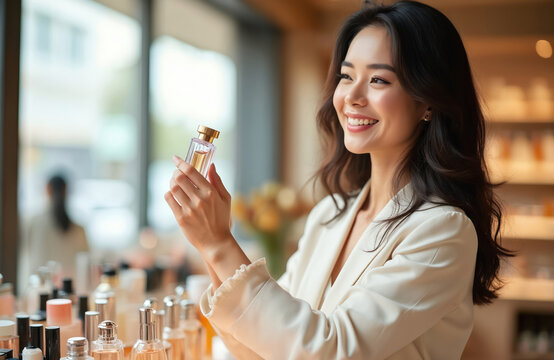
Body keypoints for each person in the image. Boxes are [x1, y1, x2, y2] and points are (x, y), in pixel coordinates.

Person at [164, 1, 512, 358]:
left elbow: (332, 350)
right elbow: (264, 346)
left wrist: (220, 244)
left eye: (378, 79)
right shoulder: (330, 214)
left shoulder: (442, 232)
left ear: (428, 102)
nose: (351, 98)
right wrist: (207, 241)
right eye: (346, 76)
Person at [18, 174, 89, 293]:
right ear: (67, 191)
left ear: (46, 189)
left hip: (39, 294)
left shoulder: (33, 222)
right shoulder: (79, 229)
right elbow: (86, 264)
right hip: (70, 293)